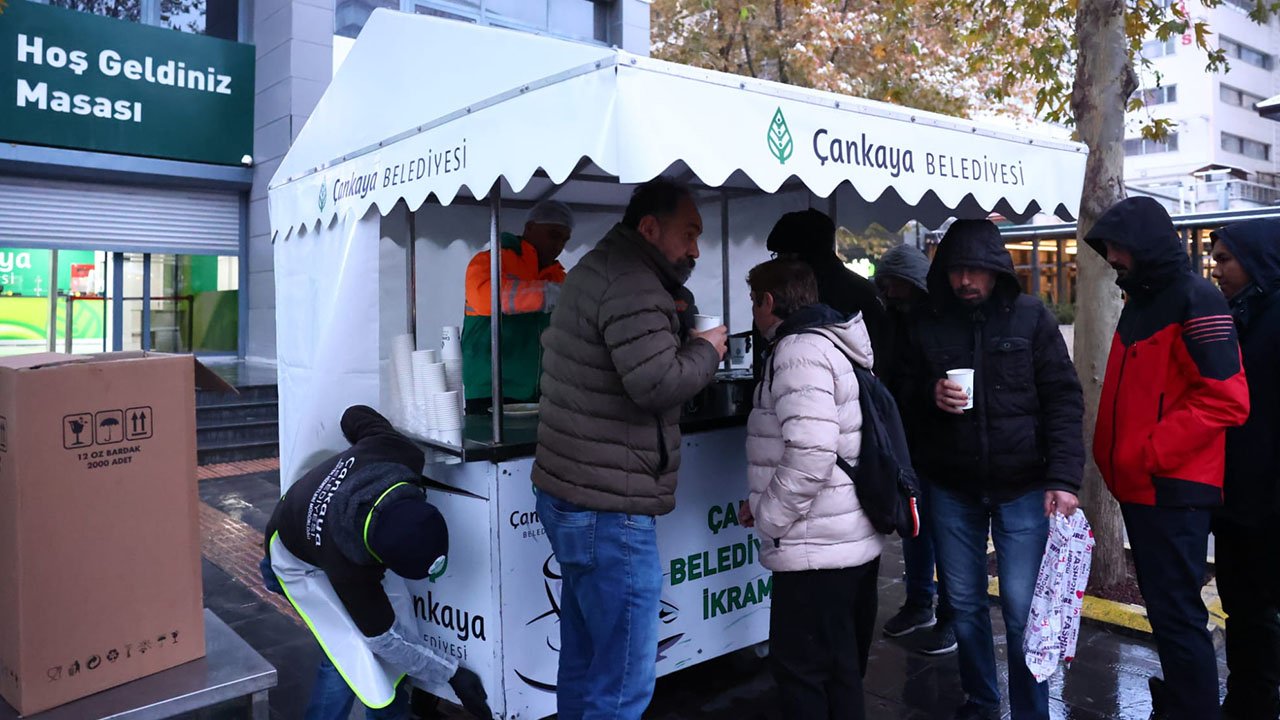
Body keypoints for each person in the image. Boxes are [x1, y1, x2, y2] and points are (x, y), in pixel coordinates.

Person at [532, 177, 727, 720]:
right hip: (608, 507)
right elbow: (657, 383)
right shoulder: (633, 282)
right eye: (688, 233)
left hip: (574, 493)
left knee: (586, 656)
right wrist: (705, 350)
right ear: (649, 227)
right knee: (621, 682)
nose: (695, 248)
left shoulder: (604, 267)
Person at [908, 219, 1084, 720]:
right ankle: (982, 701)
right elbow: (895, 391)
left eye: (976, 270)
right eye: (956, 270)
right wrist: (928, 394)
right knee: (963, 603)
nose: (965, 280)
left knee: (1023, 609)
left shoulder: (1031, 317)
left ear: (996, 270)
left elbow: (1063, 398)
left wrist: (1064, 479)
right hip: (951, 486)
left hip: (1024, 486)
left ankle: (1032, 713)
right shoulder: (926, 319)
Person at [1084, 197, 1250, 720]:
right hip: (1143, 486)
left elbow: (1228, 398)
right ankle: (1181, 702)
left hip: (1172, 490)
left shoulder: (1196, 299)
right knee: (1169, 614)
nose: (1110, 256)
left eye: (1116, 246)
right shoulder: (1142, 299)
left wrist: (1149, 452)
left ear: (1144, 245)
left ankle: (1193, 708)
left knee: (1177, 618)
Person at [260, 405, 491, 720]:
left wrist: (356, 454)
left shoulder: (396, 451)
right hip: (293, 560)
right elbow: (385, 640)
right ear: (376, 560)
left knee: (388, 632)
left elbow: (353, 414)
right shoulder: (349, 569)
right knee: (350, 657)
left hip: (319, 519)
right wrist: (452, 674)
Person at [738, 258, 884, 720]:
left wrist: (770, 517)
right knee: (839, 669)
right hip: (842, 537)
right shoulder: (827, 342)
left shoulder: (797, 351)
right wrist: (762, 503)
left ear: (768, 301)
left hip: (814, 548)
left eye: (753, 302)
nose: (753, 313)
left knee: (801, 673)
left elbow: (812, 451)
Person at [1209, 219, 1280, 720]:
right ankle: (1248, 700)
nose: (1216, 270)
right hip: (1234, 497)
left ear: (1255, 260)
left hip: (1270, 499)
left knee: (1261, 610)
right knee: (1244, 609)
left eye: (1224, 259)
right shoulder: (1237, 313)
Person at [874, 244, 956, 656]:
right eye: (884, 285)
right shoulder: (893, 318)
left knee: (946, 531)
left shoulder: (939, 320)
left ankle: (949, 616)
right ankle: (919, 603)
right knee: (915, 526)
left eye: (894, 285)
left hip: (943, 441)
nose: (888, 292)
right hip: (909, 440)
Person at [462, 199, 575, 411]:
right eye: (553, 235)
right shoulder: (491, 260)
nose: (558, 245)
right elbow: (485, 298)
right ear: (530, 228)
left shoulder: (559, 277)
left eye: (564, 240)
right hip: (491, 390)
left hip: (541, 392)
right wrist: (547, 293)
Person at [763, 208, 887, 373]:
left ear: (798, 258)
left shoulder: (797, 298)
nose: (777, 264)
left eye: (781, 256)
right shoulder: (864, 291)